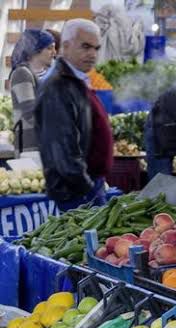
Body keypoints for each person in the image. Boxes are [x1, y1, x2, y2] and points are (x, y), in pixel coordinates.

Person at [35, 19, 112, 211]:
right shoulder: (58, 86)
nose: (92, 54)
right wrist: (87, 188)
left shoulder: (76, 80)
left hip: (88, 185)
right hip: (76, 192)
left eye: (96, 48)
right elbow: (62, 148)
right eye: (85, 47)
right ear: (66, 46)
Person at [9, 30, 55, 157]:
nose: (54, 53)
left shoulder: (38, 74)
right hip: (30, 149)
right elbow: (31, 113)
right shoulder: (22, 73)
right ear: (35, 50)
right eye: (49, 48)